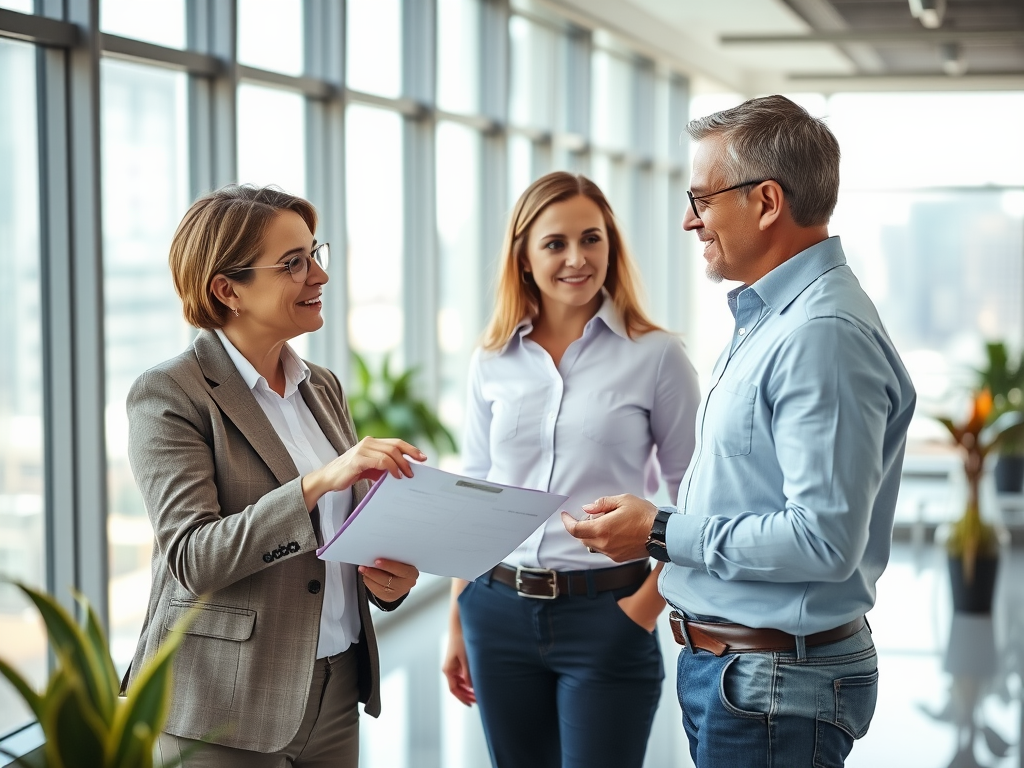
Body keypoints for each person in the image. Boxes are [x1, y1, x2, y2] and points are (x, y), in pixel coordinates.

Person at [563, 95, 917, 768]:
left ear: (766, 201)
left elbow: (822, 540)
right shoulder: (774, 319)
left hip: (773, 685)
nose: (689, 220)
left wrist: (658, 531)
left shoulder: (821, 335)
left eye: (702, 200)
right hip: (746, 677)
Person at [121, 184, 423, 768]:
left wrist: (389, 580)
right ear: (227, 289)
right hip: (226, 703)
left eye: (315, 254)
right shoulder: (170, 394)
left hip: (336, 685)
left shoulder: (321, 385)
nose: (319, 277)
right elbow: (193, 557)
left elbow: (338, 540)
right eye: (293, 264)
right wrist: (319, 482)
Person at [442, 171, 700, 768]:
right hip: (495, 611)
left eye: (592, 239)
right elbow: (475, 496)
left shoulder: (656, 356)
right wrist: (458, 621)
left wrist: (639, 612)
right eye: (555, 243)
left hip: (608, 613)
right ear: (525, 259)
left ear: (611, 246)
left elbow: (695, 497)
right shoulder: (492, 359)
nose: (577, 258)